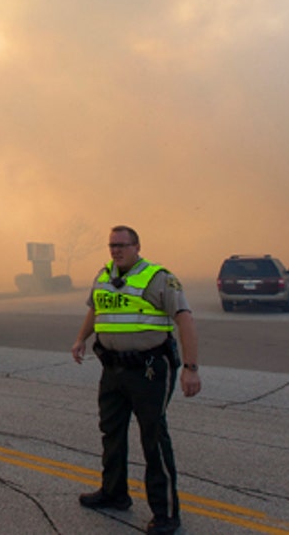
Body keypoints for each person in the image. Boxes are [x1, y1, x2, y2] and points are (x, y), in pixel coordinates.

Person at [71, 225, 201, 535]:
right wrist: (80, 339)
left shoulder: (159, 278)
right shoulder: (103, 276)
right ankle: (114, 493)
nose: (116, 250)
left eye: (122, 245)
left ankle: (166, 514)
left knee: (153, 438)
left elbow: (184, 319)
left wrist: (191, 367)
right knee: (111, 432)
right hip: (113, 369)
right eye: (112, 245)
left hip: (150, 370)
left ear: (137, 246)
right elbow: (95, 310)